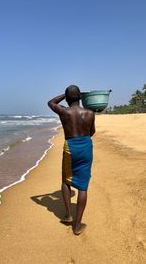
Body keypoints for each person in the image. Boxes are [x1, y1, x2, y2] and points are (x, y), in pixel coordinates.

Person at [48, 85, 95, 235]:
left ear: (67, 98)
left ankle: (68, 215)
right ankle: (77, 225)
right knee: (83, 186)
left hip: (71, 147)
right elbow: (92, 131)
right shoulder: (89, 112)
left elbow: (51, 103)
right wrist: (75, 95)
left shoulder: (64, 111)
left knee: (66, 180)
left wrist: (66, 95)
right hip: (86, 146)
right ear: (80, 97)